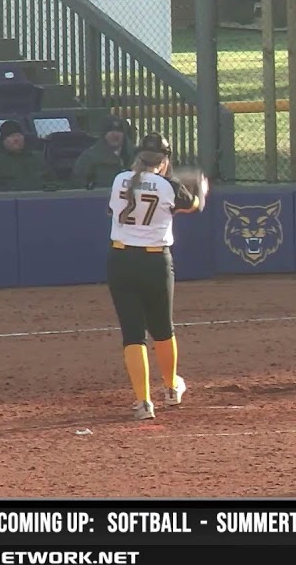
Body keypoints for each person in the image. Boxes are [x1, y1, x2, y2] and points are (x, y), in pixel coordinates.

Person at [106, 144, 209, 420]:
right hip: (154, 262)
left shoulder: (119, 179)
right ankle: (172, 387)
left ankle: (143, 402)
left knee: (133, 333)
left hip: (121, 260)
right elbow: (194, 206)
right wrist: (200, 190)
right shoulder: (168, 185)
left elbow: (113, 210)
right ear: (164, 161)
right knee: (162, 328)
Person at [0, 120, 54, 191]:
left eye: (19, 135)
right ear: (3, 140)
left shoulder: (37, 157)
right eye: (11, 136)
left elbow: (51, 181)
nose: (16, 139)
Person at [71, 117, 134, 189]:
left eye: (119, 131)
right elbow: (79, 183)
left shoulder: (134, 156)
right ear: (103, 135)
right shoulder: (89, 157)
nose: (115, 135)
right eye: (110, 131)